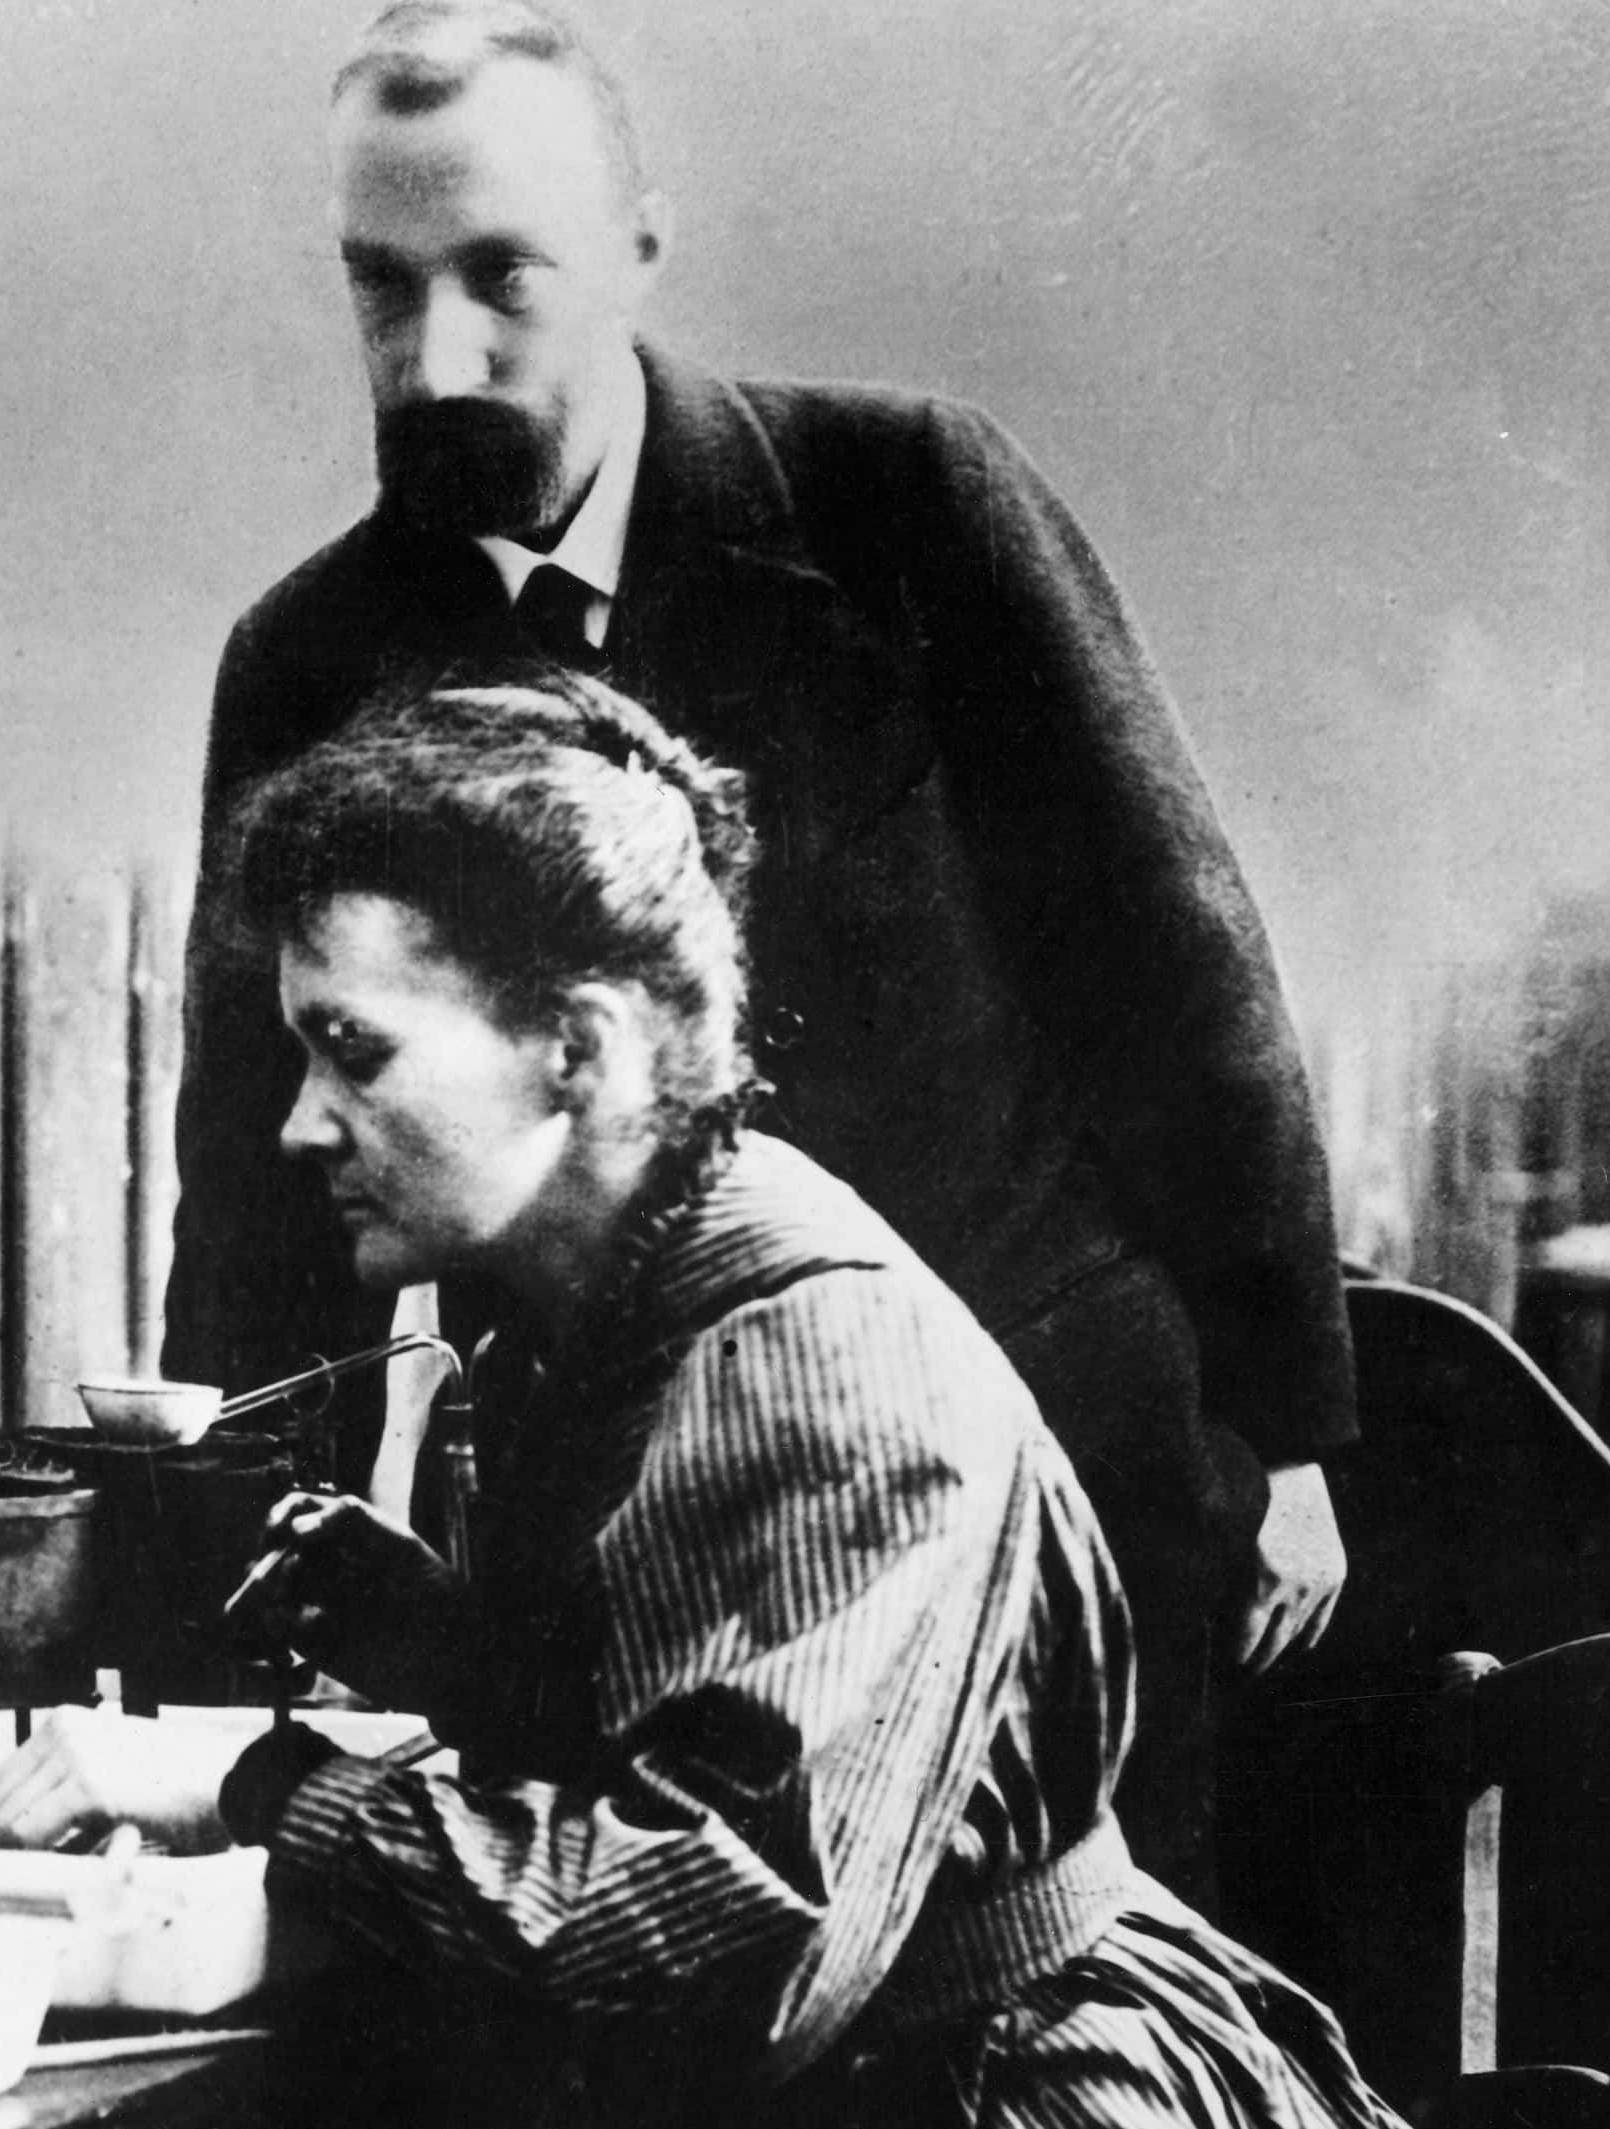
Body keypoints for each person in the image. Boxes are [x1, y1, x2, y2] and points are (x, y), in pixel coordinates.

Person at [162, 0, 1353, 1908]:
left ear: (636, 249)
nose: (433, 354)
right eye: (379, 291)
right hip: (623, 1530)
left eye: (501, 279)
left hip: (1050, 1463)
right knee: (641, 1970)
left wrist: (1283, 1432)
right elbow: (259, 1162)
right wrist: (217, 1583)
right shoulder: (308, 658)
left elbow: (1173, 969)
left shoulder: (907, 511)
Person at [0, 674, 1402, 2128]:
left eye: (354, 1049)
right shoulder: (618, 1292)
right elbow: (699, 1714)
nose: (298, 1120)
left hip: (1002, 2089)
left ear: (579, 1049)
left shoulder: (807, 1350)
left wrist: (252, 1778)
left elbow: (706, 1951)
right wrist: (447, 1644)